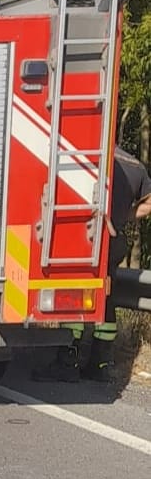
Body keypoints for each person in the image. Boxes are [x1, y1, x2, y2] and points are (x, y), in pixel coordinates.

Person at [35, 144, 151, 382]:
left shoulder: (86, 157)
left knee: (72, 293)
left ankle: (67, 361)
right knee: (106, 297)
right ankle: (100, 364)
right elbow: (149, 203)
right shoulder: (135, 165)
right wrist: (123, 217)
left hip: (85, 235)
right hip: (113, 238)